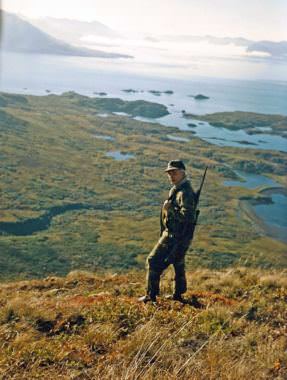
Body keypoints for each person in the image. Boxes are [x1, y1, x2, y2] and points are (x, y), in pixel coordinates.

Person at [139, 160, 197, 304]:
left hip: (174, 236)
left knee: (153, 261)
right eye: (169, 173)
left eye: (174, 172)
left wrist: (170, 209)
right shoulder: (178, 189)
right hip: (178, 235)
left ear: (183, 172)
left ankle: (151, 295)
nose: (171, 175)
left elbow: (189, 217)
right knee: (178, 263)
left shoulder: (185, 192)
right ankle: (178, 294)